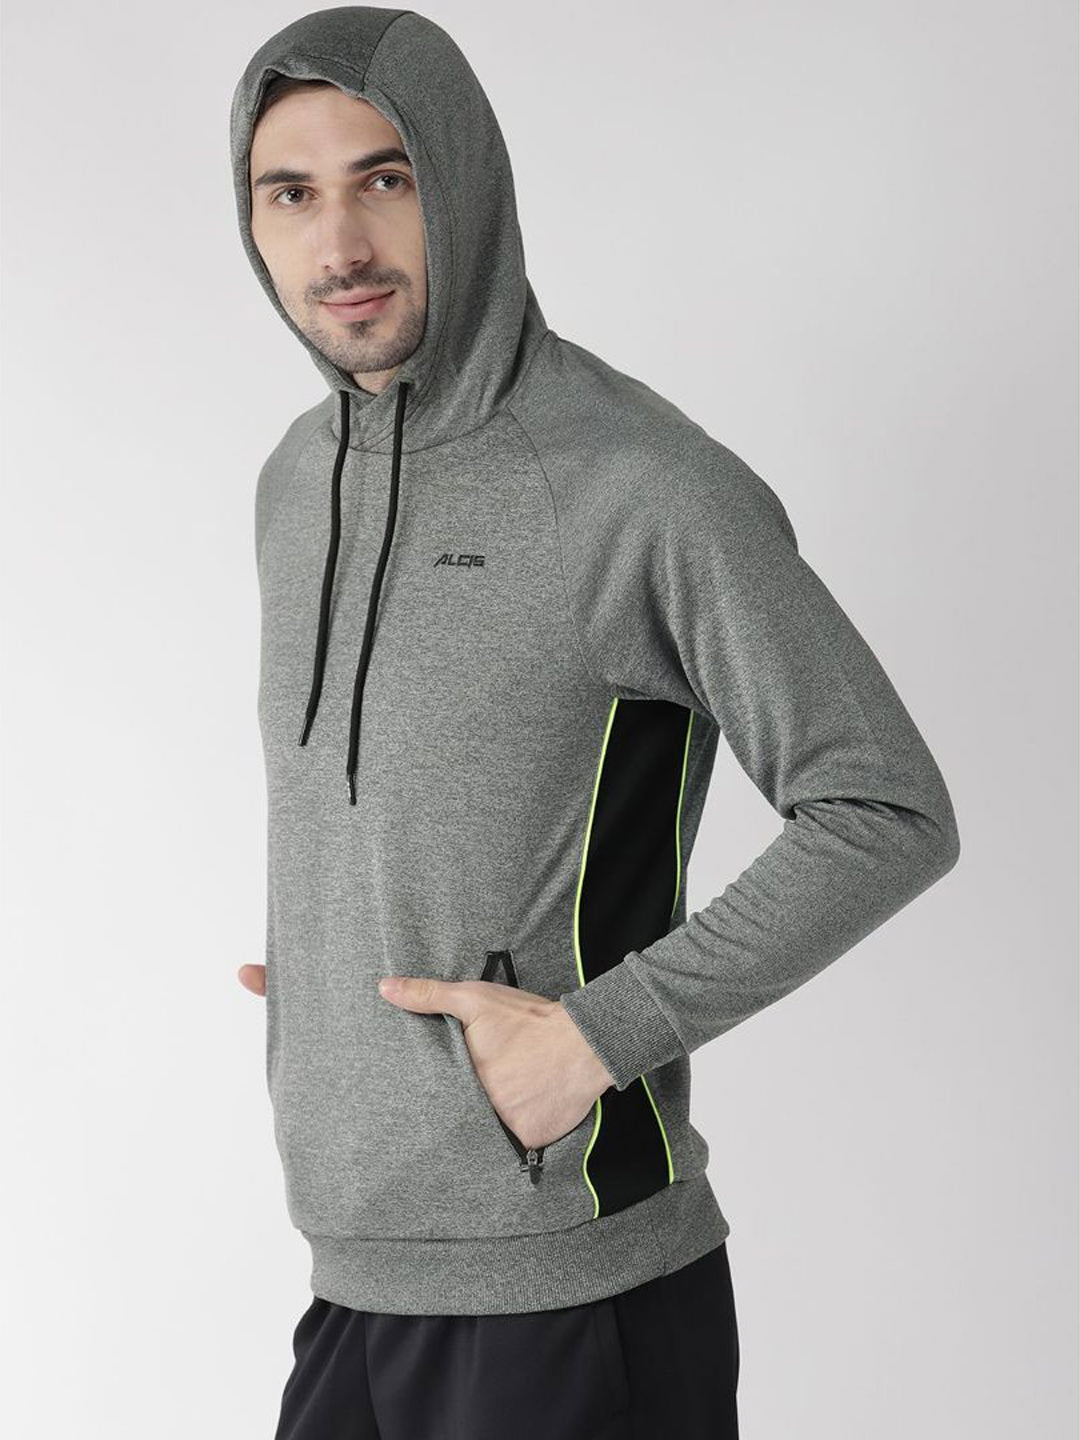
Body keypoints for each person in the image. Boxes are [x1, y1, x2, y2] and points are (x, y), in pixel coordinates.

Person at [229, 8, 961, 1437]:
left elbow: (886, 811)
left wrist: (596, 1035)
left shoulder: (638, 485)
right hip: (353, 1275)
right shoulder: (297, 480)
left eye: (386, 178)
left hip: (573, 1286)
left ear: (463, 178)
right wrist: (333, 951)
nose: (341, 245)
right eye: (291, 193)